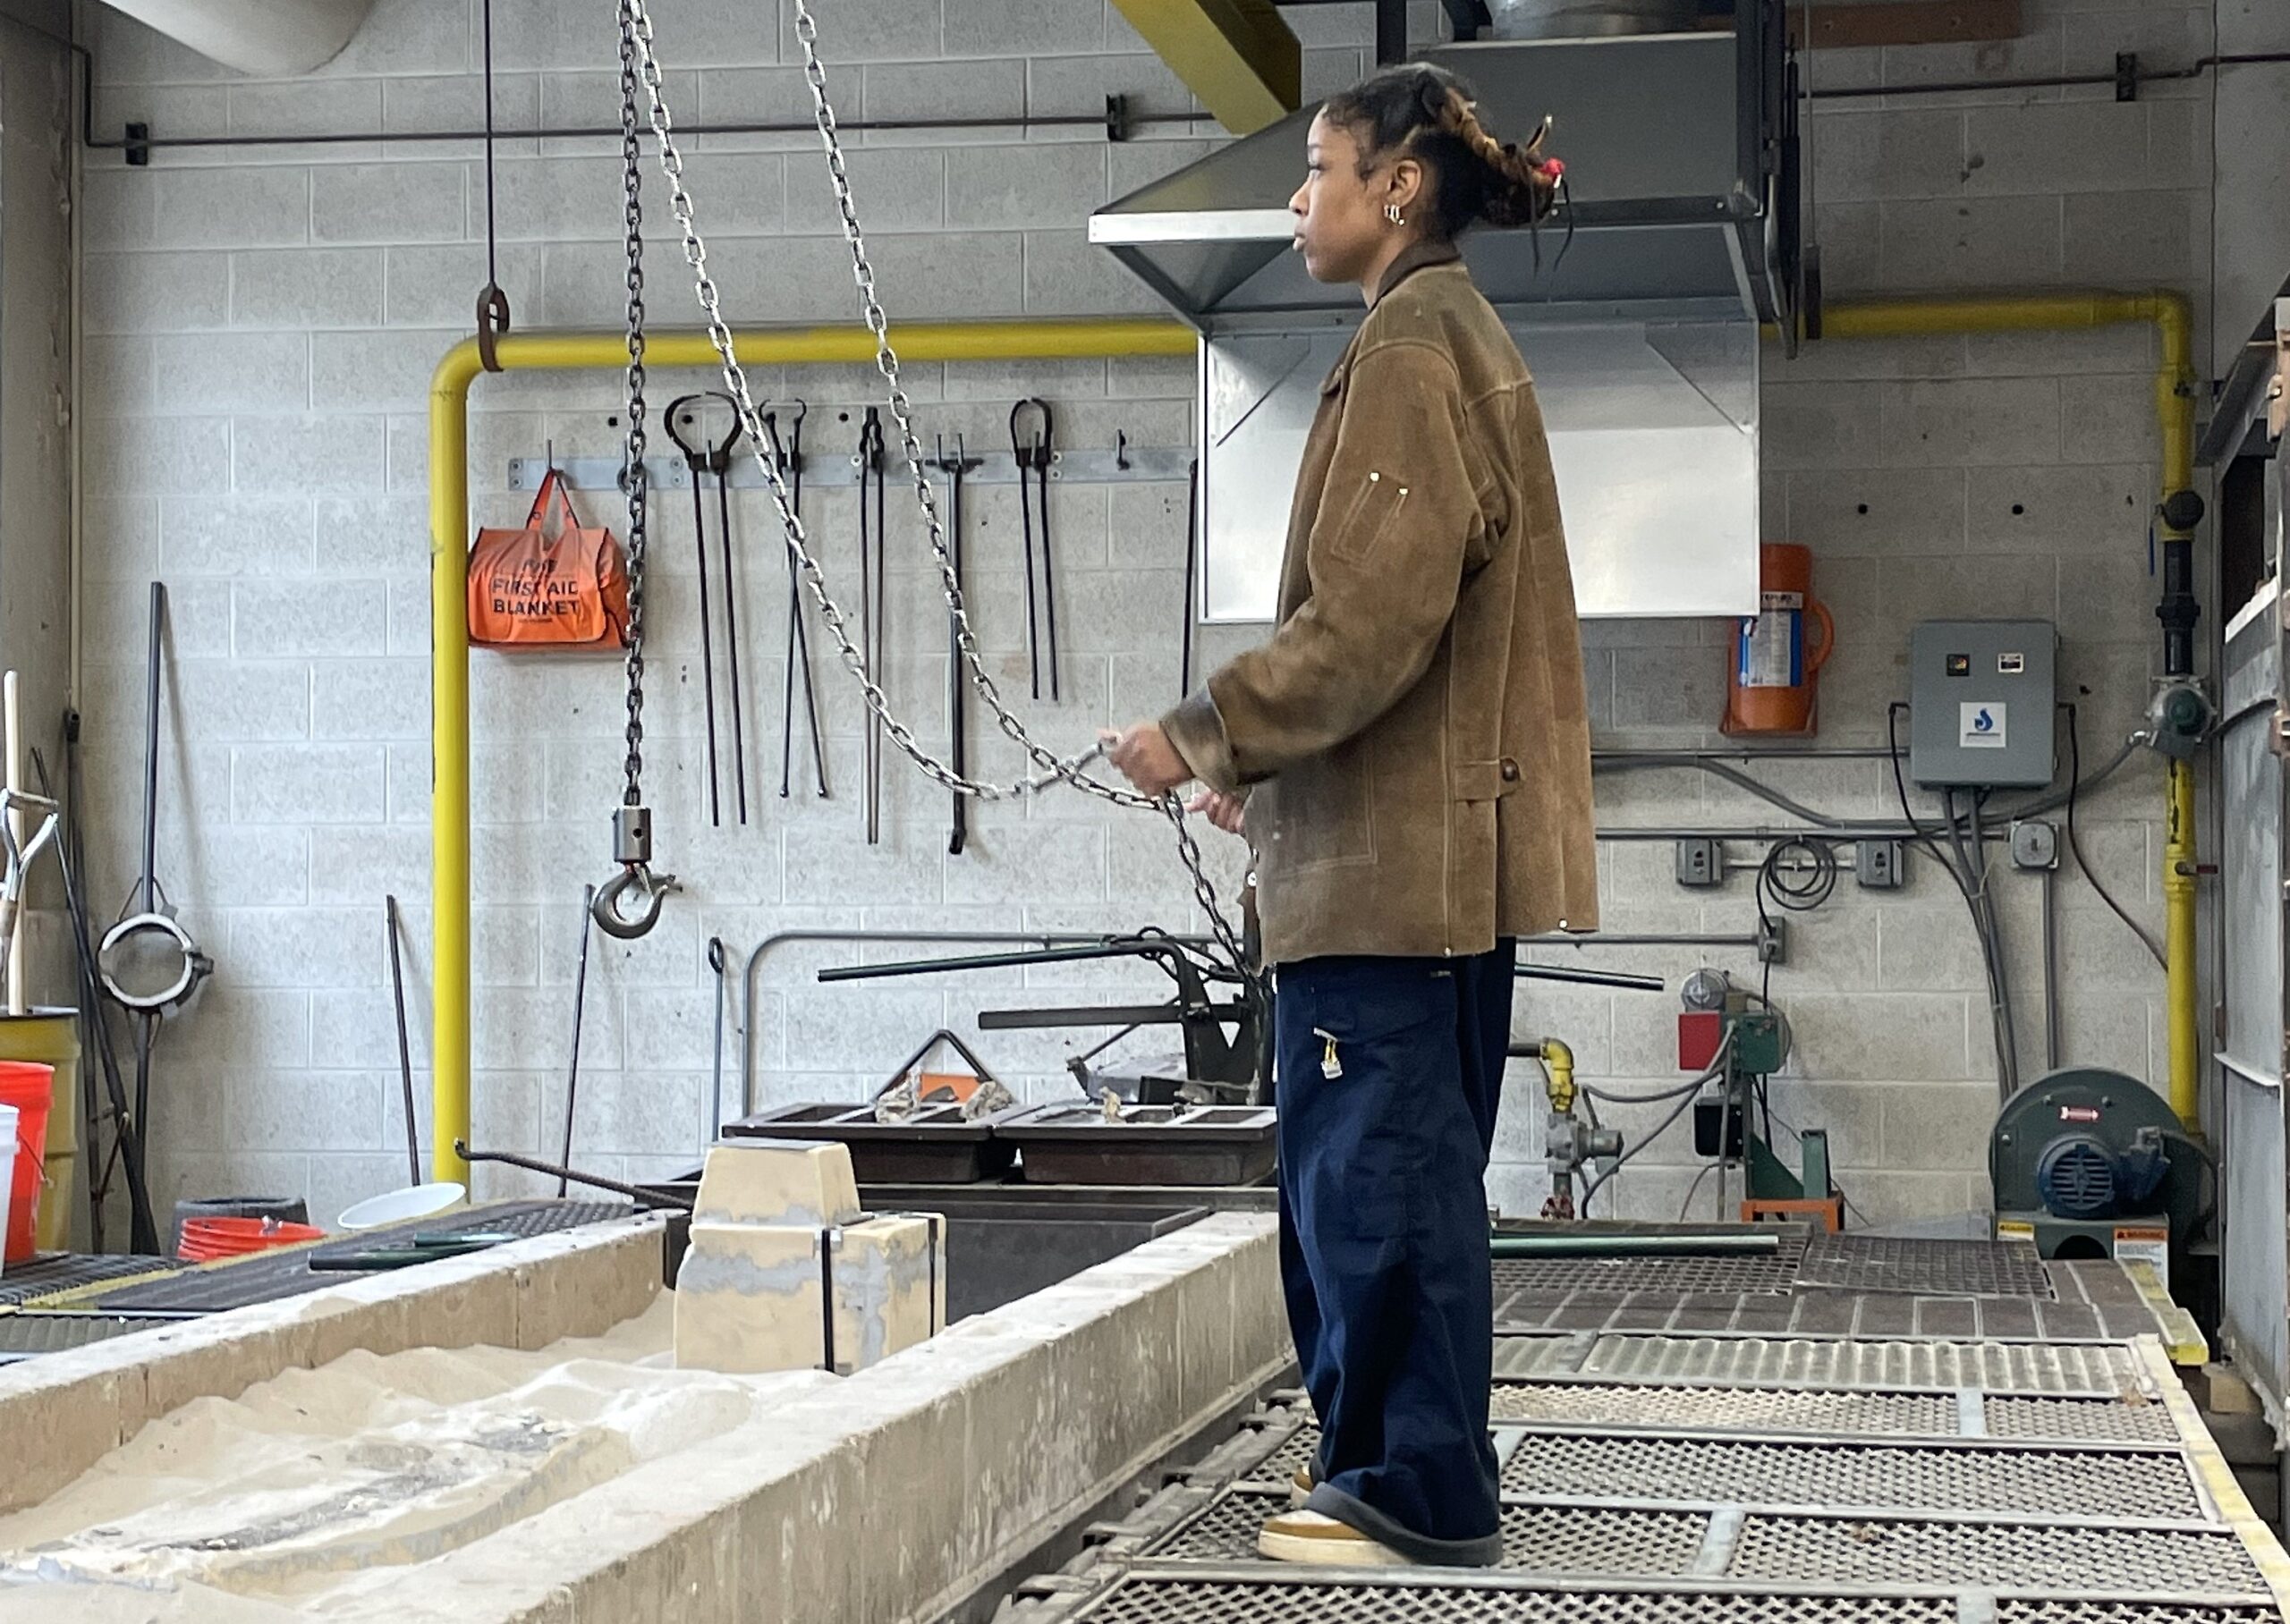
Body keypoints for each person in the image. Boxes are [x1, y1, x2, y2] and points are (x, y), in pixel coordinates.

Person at [1101, 61, 1598, 1569]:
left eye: (1317, 169)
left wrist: (1197, 737)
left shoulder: (1412, 345)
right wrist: (1266, 780)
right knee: (1395, 1176)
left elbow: (1368, 625)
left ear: (1397, 189)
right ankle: (1389, 1471)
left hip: (1394, 890)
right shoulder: (1440, 338)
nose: (1298, 198)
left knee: (1376, 1183)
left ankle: (1411, 1492)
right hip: (1407, 862)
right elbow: (1410, 648)